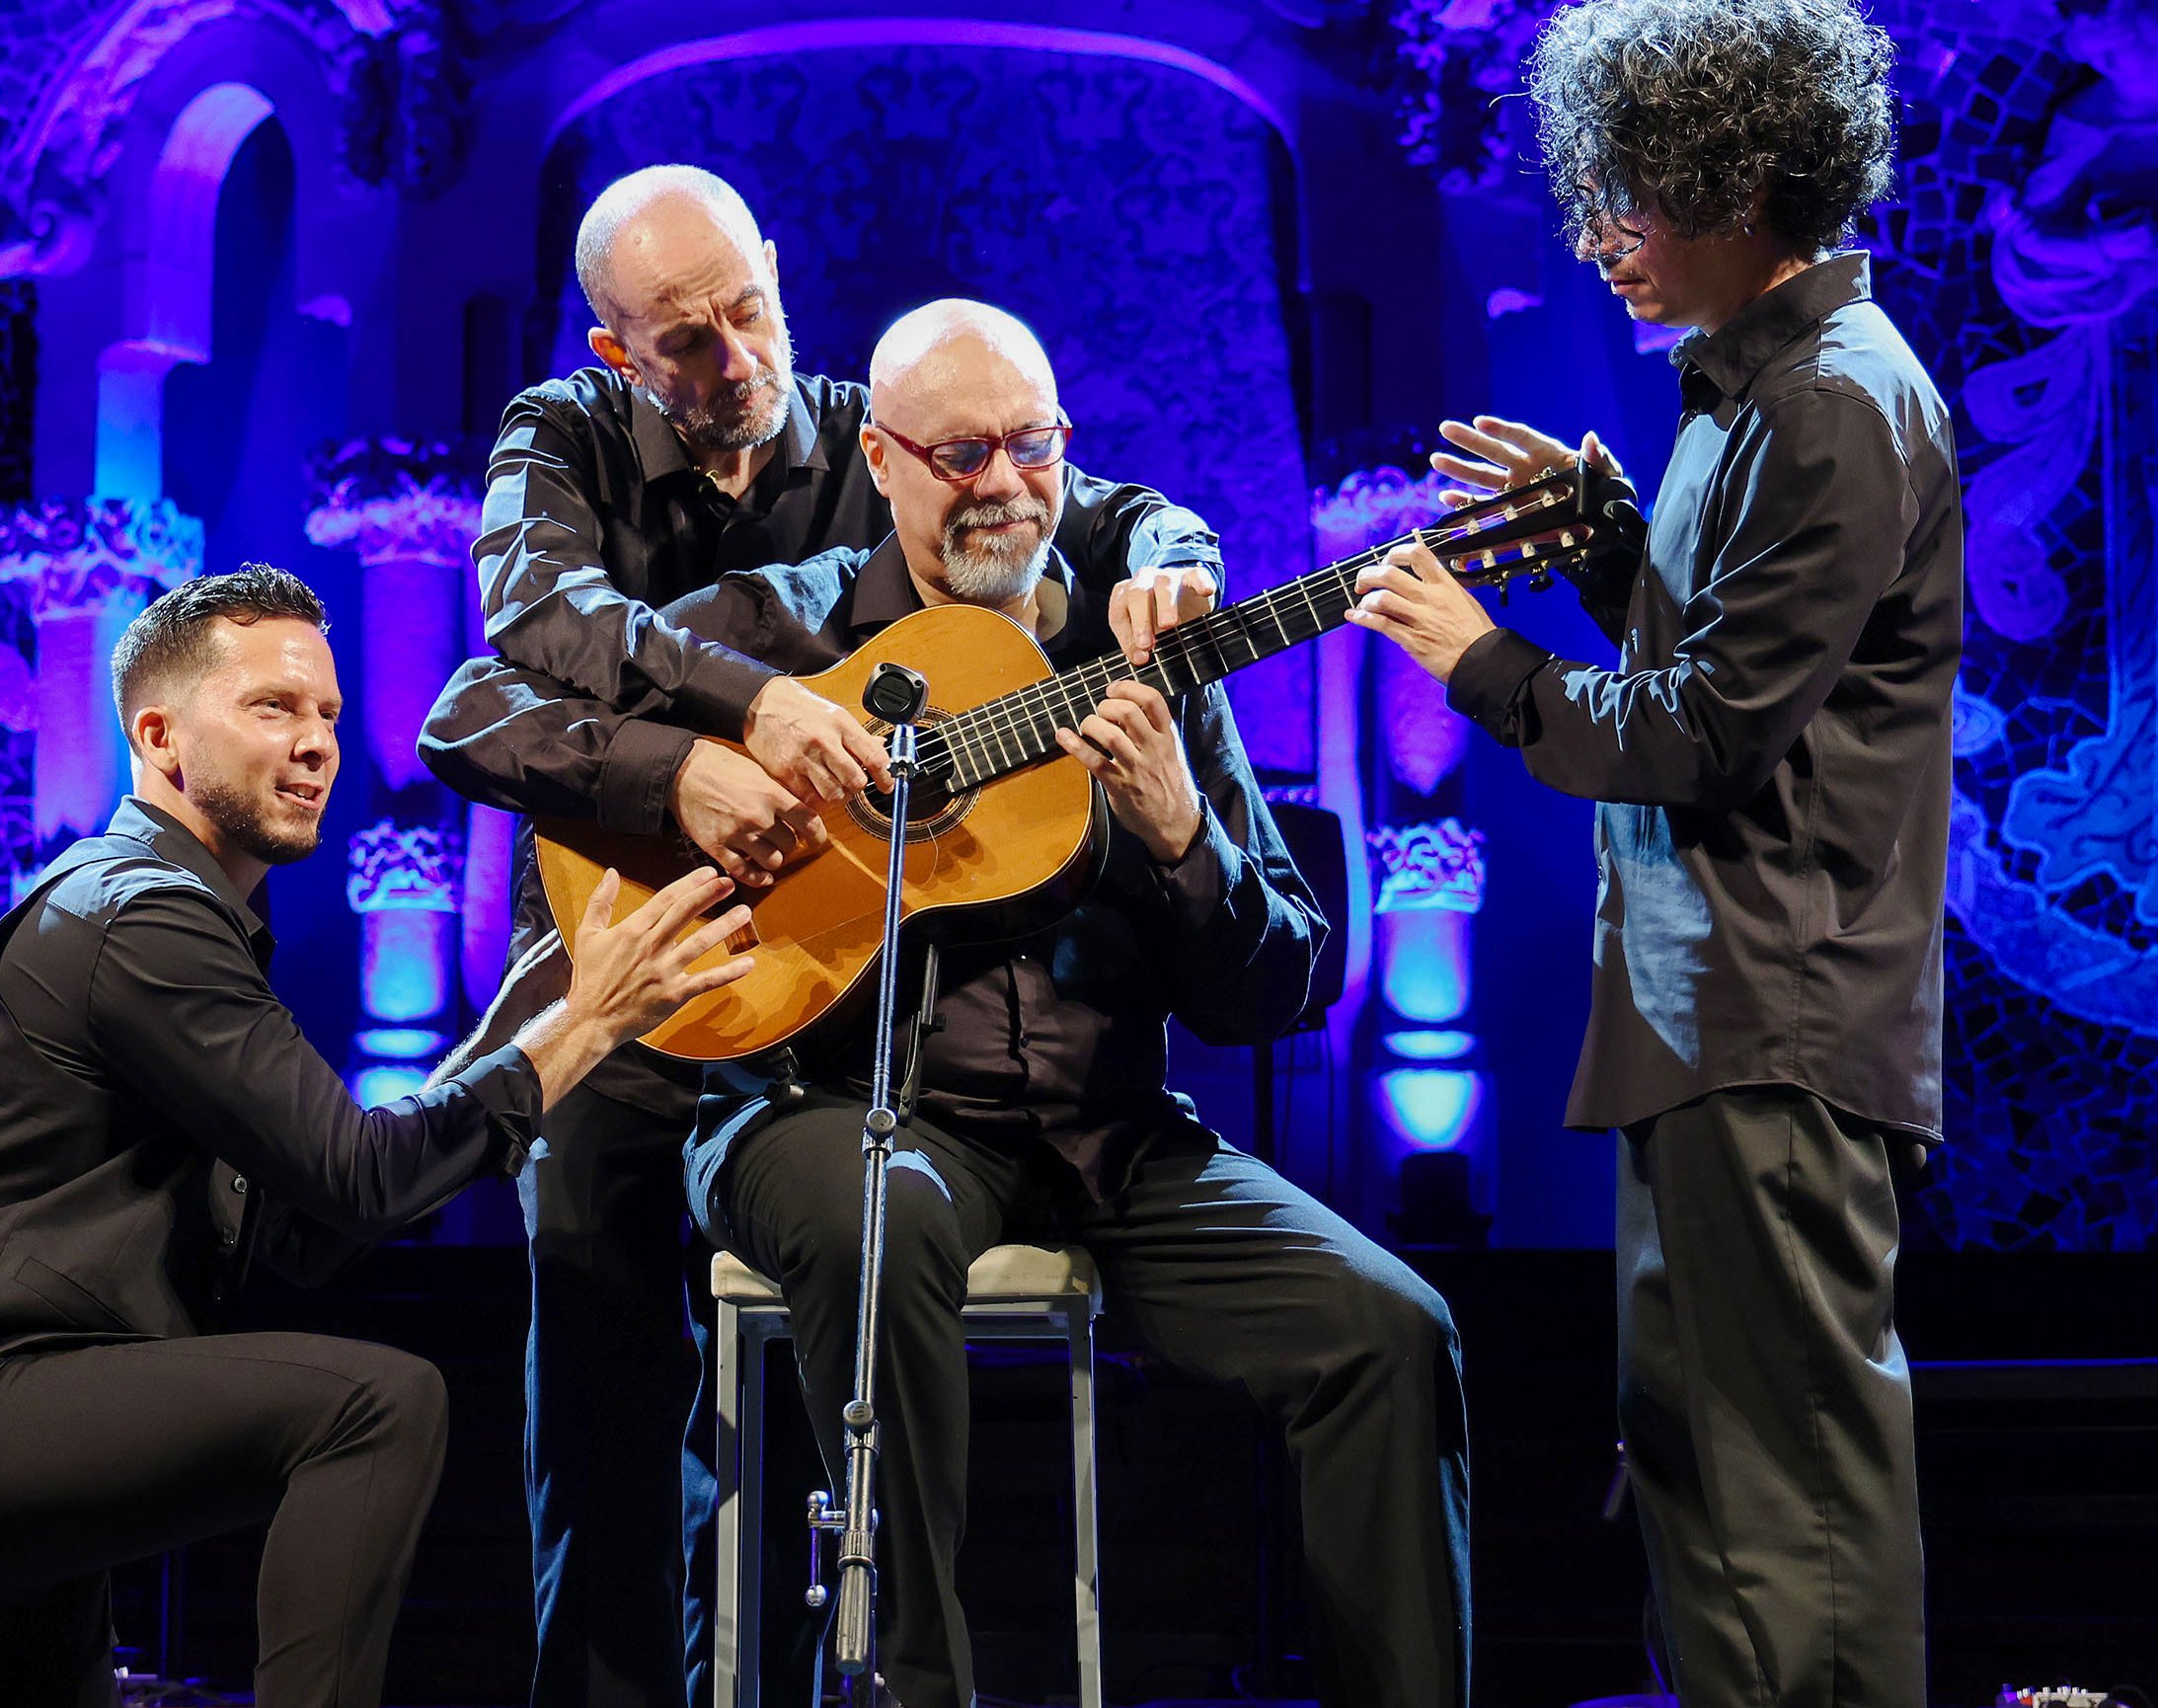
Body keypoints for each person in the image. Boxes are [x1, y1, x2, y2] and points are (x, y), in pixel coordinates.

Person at [429, 301, 1472, 1708]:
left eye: (1032, 447)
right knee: (886, 1216)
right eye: (962, 450)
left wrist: (1183, 841)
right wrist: (692, 770)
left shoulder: (1146, 661)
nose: (1002, 484)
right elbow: (484, 705)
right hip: (830, 1112)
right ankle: (909, 1688)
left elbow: (1281, 984)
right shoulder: (775, 630)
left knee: (1393, 1327)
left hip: (1110, 1140)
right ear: (883, 458)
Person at [469, 165, 1227, 1708]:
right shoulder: (561, 434)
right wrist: (713, 734)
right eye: (680, 342)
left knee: (849, 1280)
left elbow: (1097, 498)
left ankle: (872, 1673)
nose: (730, 361)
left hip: (840, 1001)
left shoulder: (873, 436)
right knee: (599, 1359)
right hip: (641, 942)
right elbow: (522, 639)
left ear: (775, 273)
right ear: (615, 349)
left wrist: (1176, 544)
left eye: (746, 310)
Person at [0, 565, 753, 1708]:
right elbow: (361, 1177)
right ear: (158, 735)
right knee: (374, 1405)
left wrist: (519, 1036)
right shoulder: (135, 916)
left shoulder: (186, 925)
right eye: (272, 707)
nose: (317, 744)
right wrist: (585, 1020)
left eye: (329, 714)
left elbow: (306, 1227)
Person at [1344, 0, 1958, 1708]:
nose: (1601, 233)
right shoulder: (1753, 398)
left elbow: (1701, 737)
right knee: (1700, 1472)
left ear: (1738, 180)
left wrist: (1484, 667)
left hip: (1777, 1022)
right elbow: (1729, 673)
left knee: (1790, 1497)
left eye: (1628, 195)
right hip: (1714, 1018)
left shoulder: (1834, 398)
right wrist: (1614, 542)